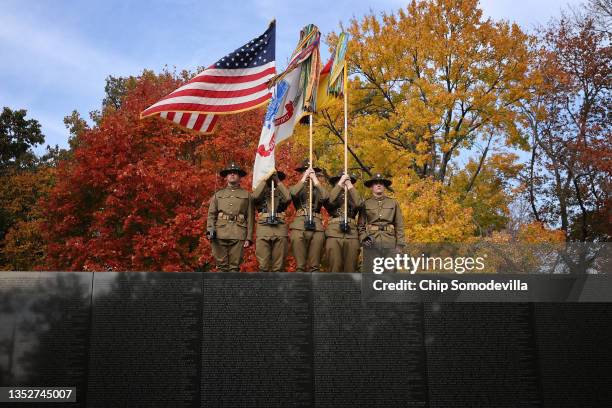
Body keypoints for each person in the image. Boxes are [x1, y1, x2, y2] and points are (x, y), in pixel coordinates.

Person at [206, 162, 254, 272]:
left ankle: (232, 289)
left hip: (238, 232)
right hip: (219, 233)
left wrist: (249, 237)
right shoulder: (218, 195)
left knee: (234, 267)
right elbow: (211, 214)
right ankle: (220, 289)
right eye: (229, 173)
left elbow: (250, 218)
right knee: (221, 267)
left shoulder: (247, 195)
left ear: (239, 177)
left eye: (235, 173)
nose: (232, 174)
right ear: (226, 177)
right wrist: (210, 230)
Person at [358, 173, 405, 271]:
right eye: (375, 183)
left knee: (390, 273)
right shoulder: (365, 204)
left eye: (381, 183)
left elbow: (399, 225)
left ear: (384, 186)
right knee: (371, 273)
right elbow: (360, 226)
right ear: (371, 187)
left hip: (390, 242)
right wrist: (364, 239)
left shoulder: (393, 203)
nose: (378, 185)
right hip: (372, 242)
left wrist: (400, 245)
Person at [289, 159, 328, 272]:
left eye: (310, 171)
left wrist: (315, 179)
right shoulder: (296, 186)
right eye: (304, 171)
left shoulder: (318, 187)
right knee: (300, 266)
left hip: (316, 226)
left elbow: (326, 197)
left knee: (315, 267)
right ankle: (300, 289)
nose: (308, 173)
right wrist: (303, 178)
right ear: (301, 172)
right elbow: (292, 194)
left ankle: (314, 289)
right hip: (299, 226)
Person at [252, 170, 291, 272]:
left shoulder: (281, 191)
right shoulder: (260, 191)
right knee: (263, 266)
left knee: (279, 266)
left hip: (279, 227)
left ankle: (277, 288)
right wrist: (264, 180)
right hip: (264, 227)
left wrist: (277, 181)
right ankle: (265, 288)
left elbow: (288, 198)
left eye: (273, 176)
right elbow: (254, 197)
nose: (271, 178)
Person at [324, 172, 363, 272]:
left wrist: (350, 186)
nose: (344, 183)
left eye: (346, 181)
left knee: (351, 268)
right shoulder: (331, 194)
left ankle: (349, 288)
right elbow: (328, 202)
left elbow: (359, 204)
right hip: (334, 233)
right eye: (340, 181)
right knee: (335, 266)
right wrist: (340, 183)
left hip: (352, 234)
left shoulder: (353, 195)